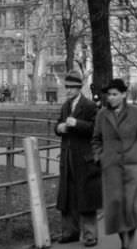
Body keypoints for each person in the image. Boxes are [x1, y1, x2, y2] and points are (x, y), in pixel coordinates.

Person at [92, 78, 137, 249]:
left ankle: (128, 242)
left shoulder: (136, 113)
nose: (111, 98)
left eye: (115, 94)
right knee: (115, 205)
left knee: (130, 205)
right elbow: (96, 140)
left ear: (124, 95)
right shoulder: (102, 115)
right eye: (109, 95)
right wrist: (99, 157)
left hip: (132, 166)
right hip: (111, 167)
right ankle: (123, 239)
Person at [54, 71, 101, 246]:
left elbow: (96, 129)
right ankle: (70, 232)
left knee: (86, 197)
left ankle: (90, 235)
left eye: (72, 87)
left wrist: (78, 124)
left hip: (84, 159)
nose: (68, 90)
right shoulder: (65, 106)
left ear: (79, 88)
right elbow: (58, 124)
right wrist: (59, 128)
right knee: (67, 196)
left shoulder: (89, 106)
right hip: (67, 158)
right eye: (66, 87)